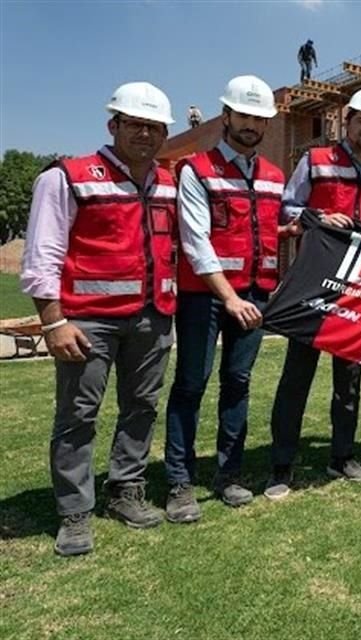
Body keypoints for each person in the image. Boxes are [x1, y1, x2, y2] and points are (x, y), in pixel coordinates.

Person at [20, 82, 177, 556]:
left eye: (154, 126)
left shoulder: (169, 182)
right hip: (88, 322)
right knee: (77, 416)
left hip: (153, 317)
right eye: (135, 124)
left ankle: (126, 488)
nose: (145, 134)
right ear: (113, 125)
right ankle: (74, 511)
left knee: (142, 407)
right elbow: (42, 254)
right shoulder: (67, 177)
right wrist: (53, 322)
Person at [164, 76, 288, 522]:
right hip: (207, 298)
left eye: (260, 118)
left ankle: (229, 474)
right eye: (246, 115)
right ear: (227, 116)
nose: (252, 124)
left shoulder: (274, 177)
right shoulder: (196, 170)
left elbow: (271, 226)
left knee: (238, 383)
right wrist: (230, 298)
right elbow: (196, 242)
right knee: (191, 383)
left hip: (255, 293)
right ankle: (179, 480)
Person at [265, 88, 361, 499]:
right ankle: (282, 465)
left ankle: (342, 456)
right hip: (314, 285)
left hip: (358, 290)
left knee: (350, 379)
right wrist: (319, 217)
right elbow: (287, 207)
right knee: (297, 376)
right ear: (348, 121)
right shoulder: (317, 161)